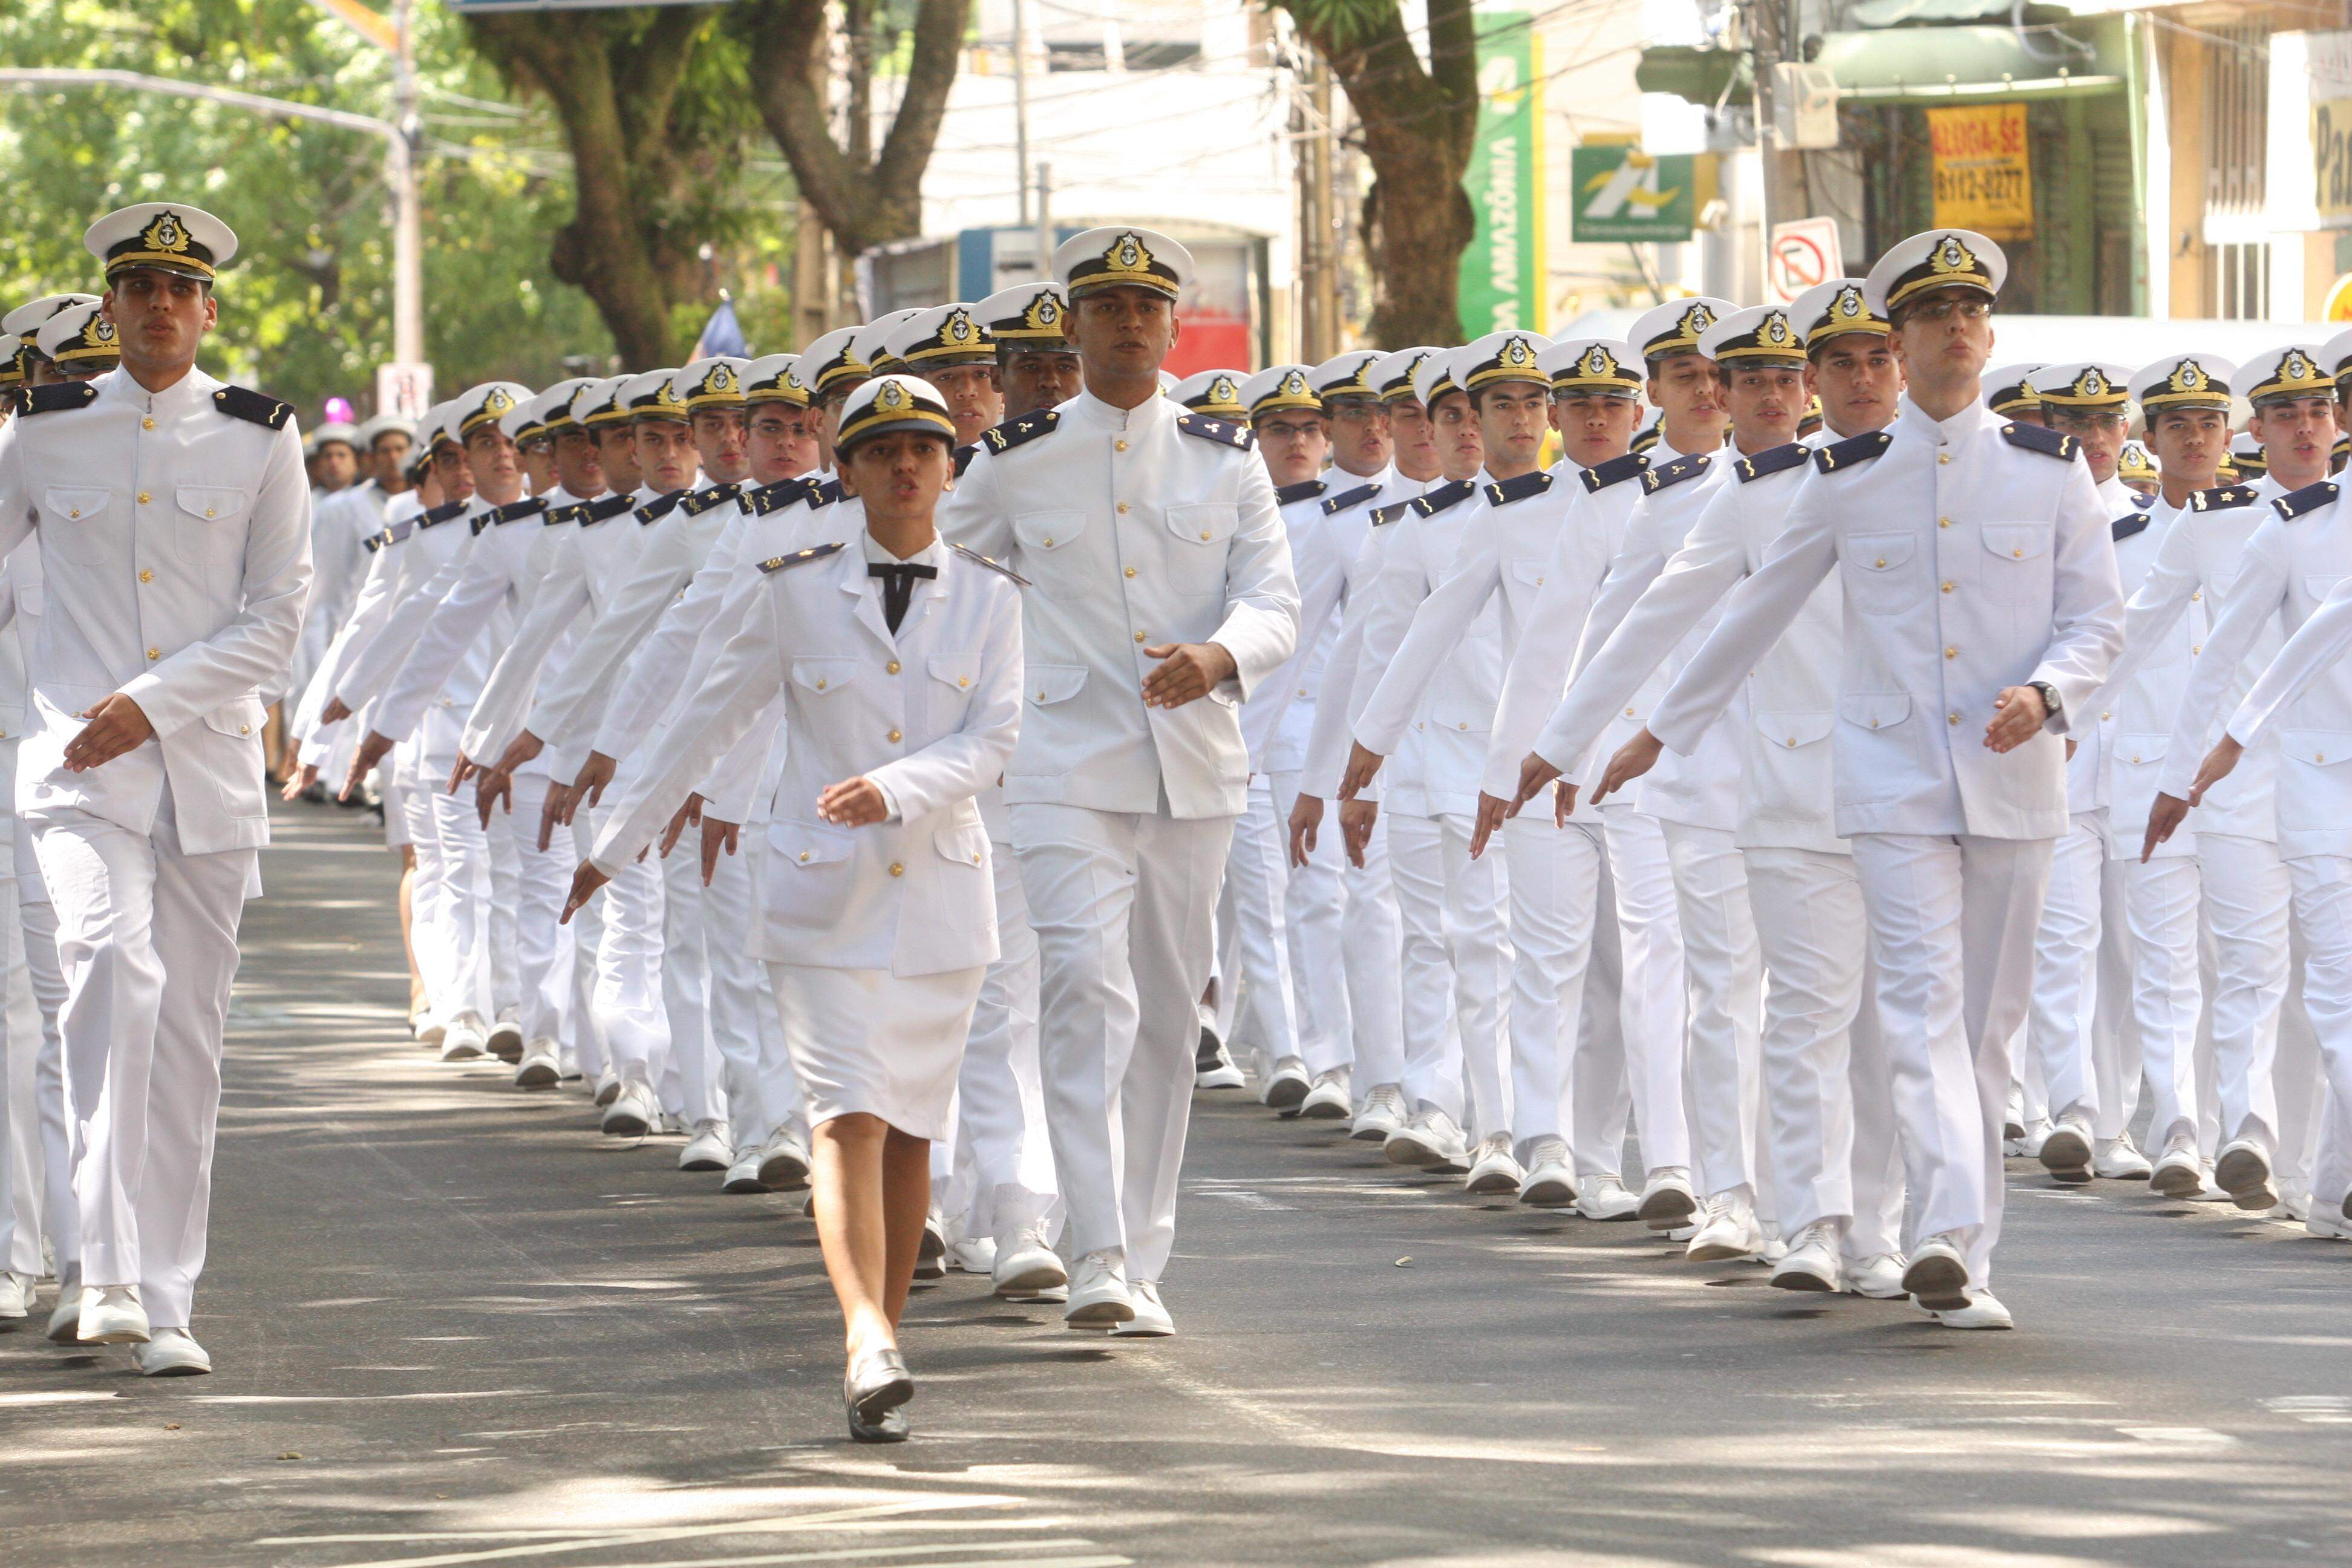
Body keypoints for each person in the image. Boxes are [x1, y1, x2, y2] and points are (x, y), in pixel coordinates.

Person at [1584, 230, 2123, 1328]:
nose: (1954, 334)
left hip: (2015, 778)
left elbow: (2099, 622)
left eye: (1970, 316)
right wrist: (1661, 731)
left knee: (1982, 1026)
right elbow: (1753, 611)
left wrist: (2052, 692)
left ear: (1989, 336)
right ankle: (1942, 1242)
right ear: (1901, 339)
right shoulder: (1844, 479)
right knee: (1919, 1007)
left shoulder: (2051, 467)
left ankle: (1958, 1236)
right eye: (1931, 319)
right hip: (1885, 777)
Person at [571, 374, 1022, 1442]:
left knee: (912, 1128)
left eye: (925, 448)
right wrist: (614, 844)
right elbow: (702, 718)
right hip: (823, 892)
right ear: (848, 470)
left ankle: (885, 1346)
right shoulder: (793, 587)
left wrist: (897, 787)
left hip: (943, 895)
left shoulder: (997, 596)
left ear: (951, 468)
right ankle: (863, 1328)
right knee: (845, 1117)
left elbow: (997, 739)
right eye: (882, 452)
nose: (906, 467)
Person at [941, 227, 1298, 1336]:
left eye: (1148, 308)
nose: (1129, 326)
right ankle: (1092, 1247)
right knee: (1083, 993)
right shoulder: (1013, 460)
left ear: (1173, 326)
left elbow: (1278, 603)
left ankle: (1144, 1253)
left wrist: (1222, 655)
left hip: (1194, 771)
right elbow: (950, 575)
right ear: (1076, 326)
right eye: (1107, 309)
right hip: (1061, 765)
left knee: (1163, 1016)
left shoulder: (1224, 455)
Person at [0, 201, 312, 1373]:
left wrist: (153, 701)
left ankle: (169, 1299)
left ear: (209, 310)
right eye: (140, 288)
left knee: (187, 1034)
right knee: (111, 977)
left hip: (209, 774)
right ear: (113, 306)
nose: (162, 308)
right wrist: (96, 716)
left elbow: (277, 625)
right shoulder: (40, 432)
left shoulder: (260, 437)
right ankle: (109, 1272)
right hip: (77, 772)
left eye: (182, 291)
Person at [2141, 343, 2348, 1213]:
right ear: (2256, 429)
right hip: (2282, 782)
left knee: (2324, 996)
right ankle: (2244, 1131)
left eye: (2319, 412)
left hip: (2310, 773)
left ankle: (2330, 1182)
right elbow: (2201, 648)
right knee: (2295, 979)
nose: (2306, 428)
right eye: (2287, 415)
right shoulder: (2254, 526)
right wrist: (2199, 761)